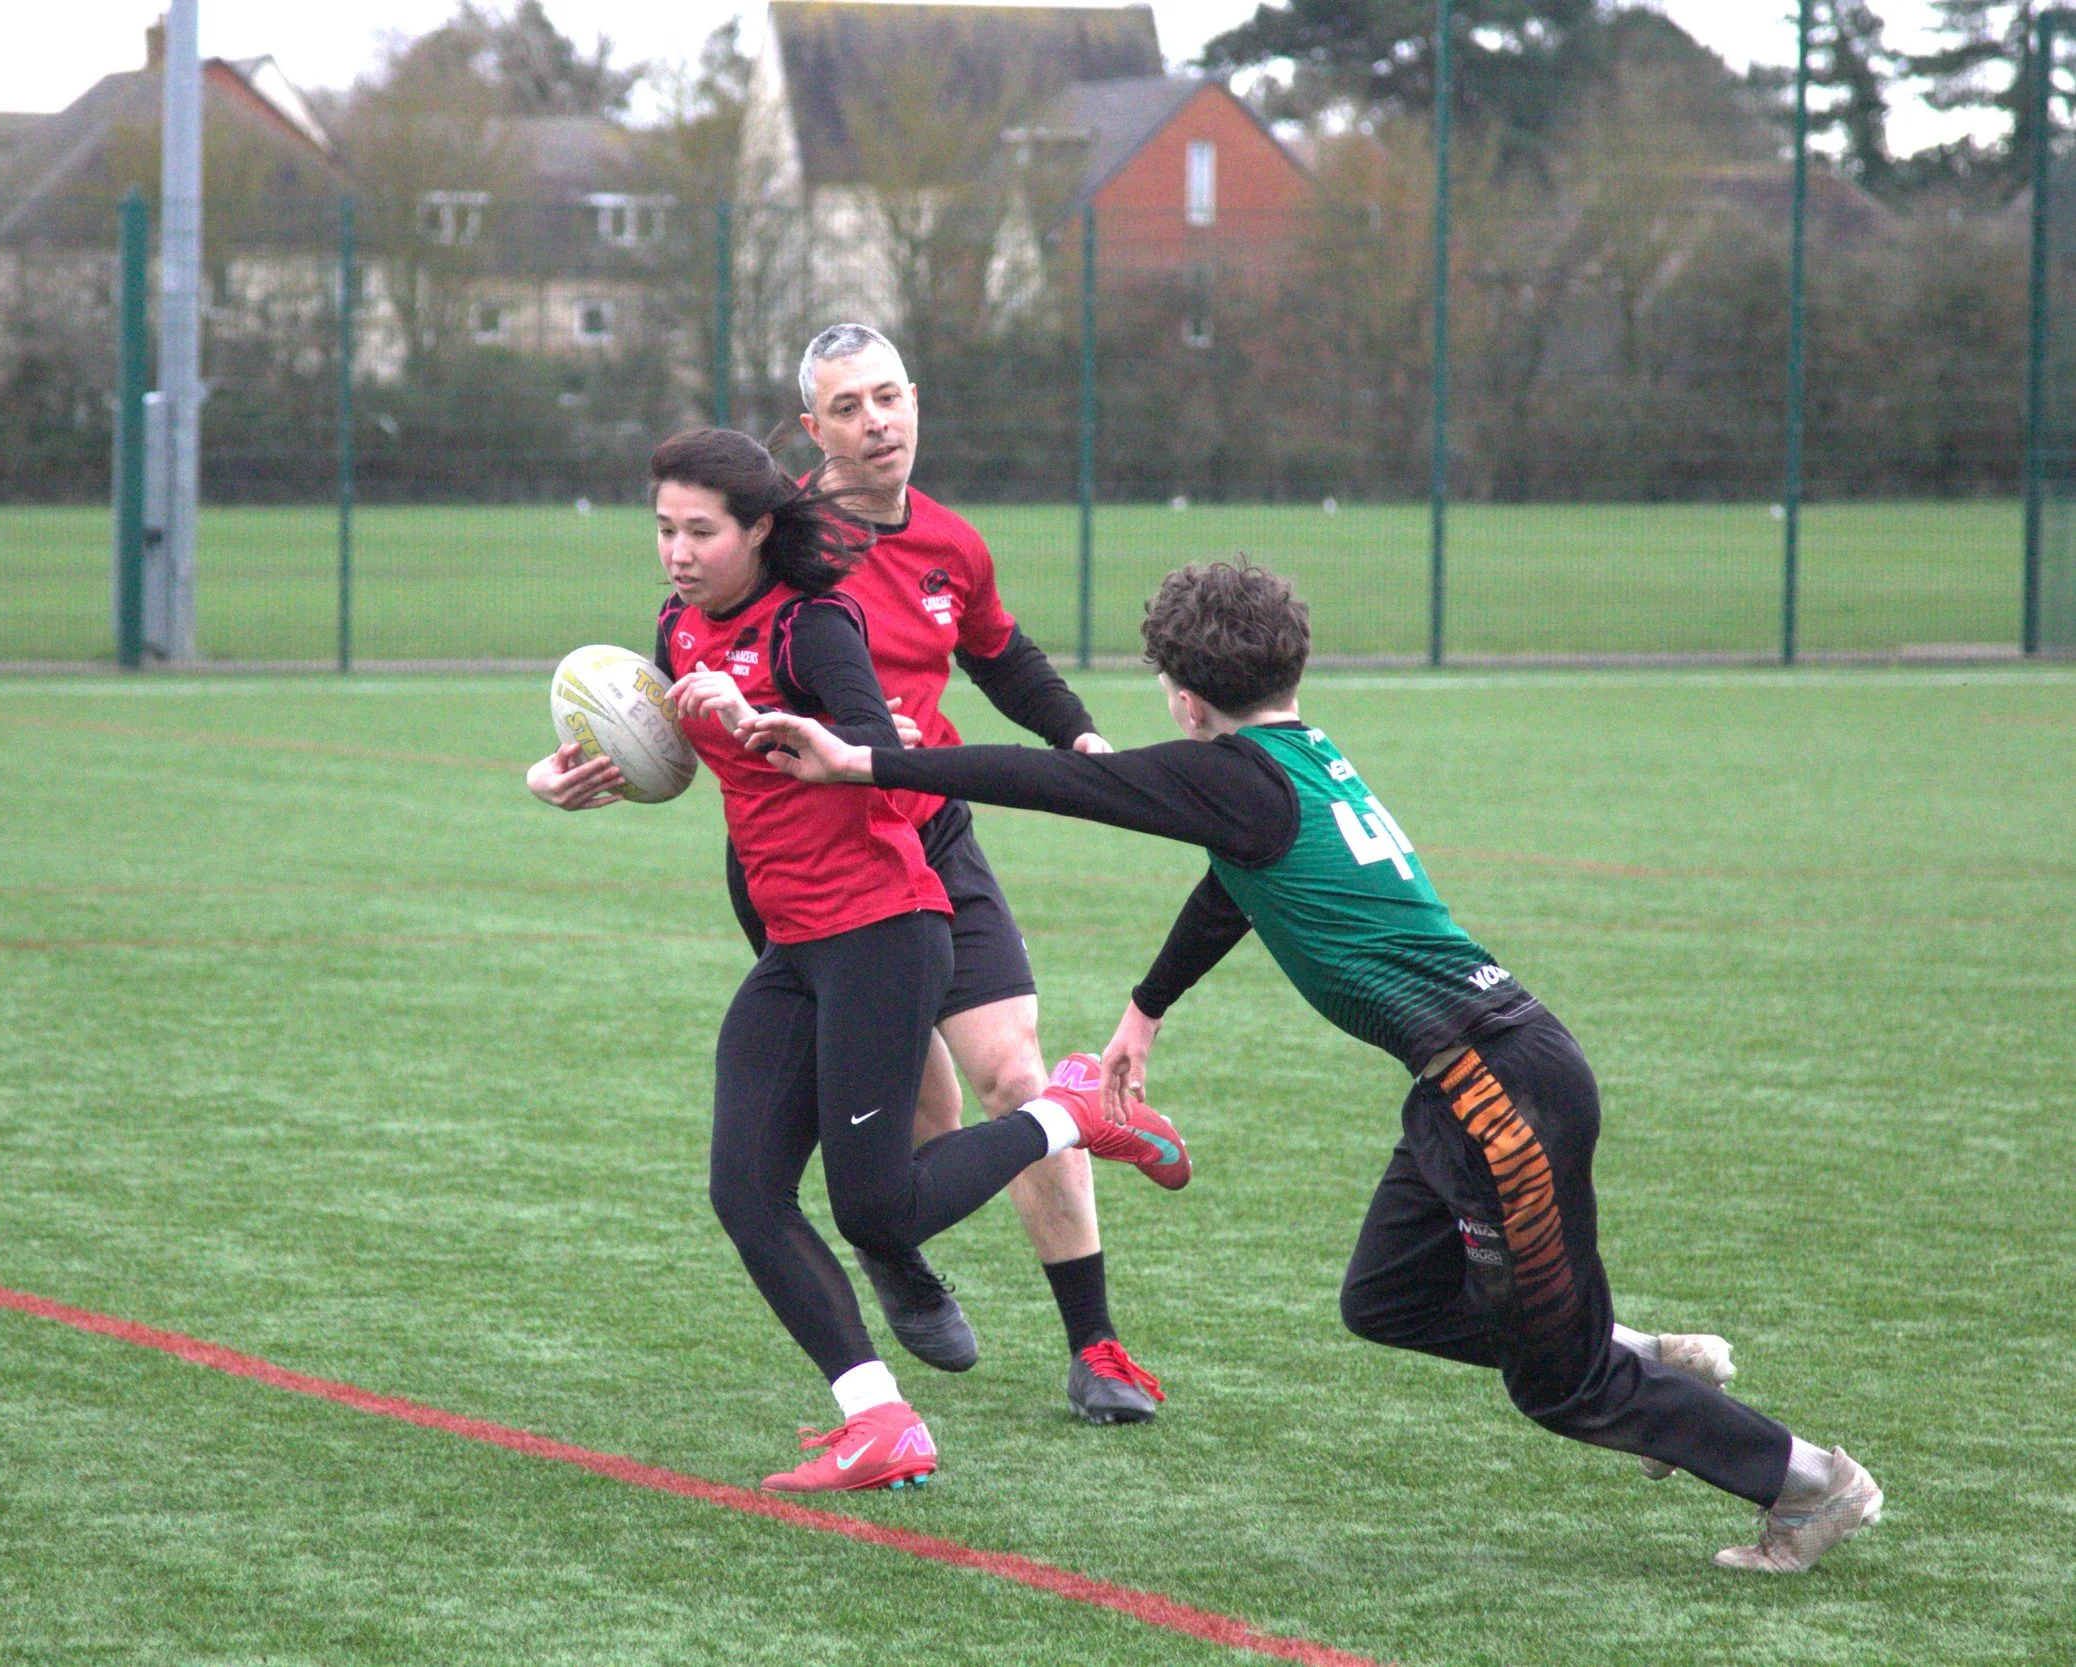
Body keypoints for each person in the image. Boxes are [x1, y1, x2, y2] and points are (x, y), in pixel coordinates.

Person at [744, 559, 1882, 1571]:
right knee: (1385, 1295)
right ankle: (1632, 1346)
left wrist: (864, 761)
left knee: (1561, 1384)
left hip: (1499, 1088)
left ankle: (1812, 1483)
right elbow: (1232, 885)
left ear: (1182, 695)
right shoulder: (1296, 759)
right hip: (1481, 1080)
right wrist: (1145, 1006)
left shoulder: (1233, 776)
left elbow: (1064, 783)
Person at [524, 428, 1192, 1493]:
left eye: (701, 530)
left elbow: (885, 765)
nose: (679, 551)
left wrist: (757, 722)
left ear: (757, 528)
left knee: (875, 1209)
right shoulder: (678, 625)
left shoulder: (815, 624)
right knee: (745, 1191)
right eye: (664, 529)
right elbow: (667, 741)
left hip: (885, 928)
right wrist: (574, 772)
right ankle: (879, 1418)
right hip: (795, 943)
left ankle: (1075, 1114)